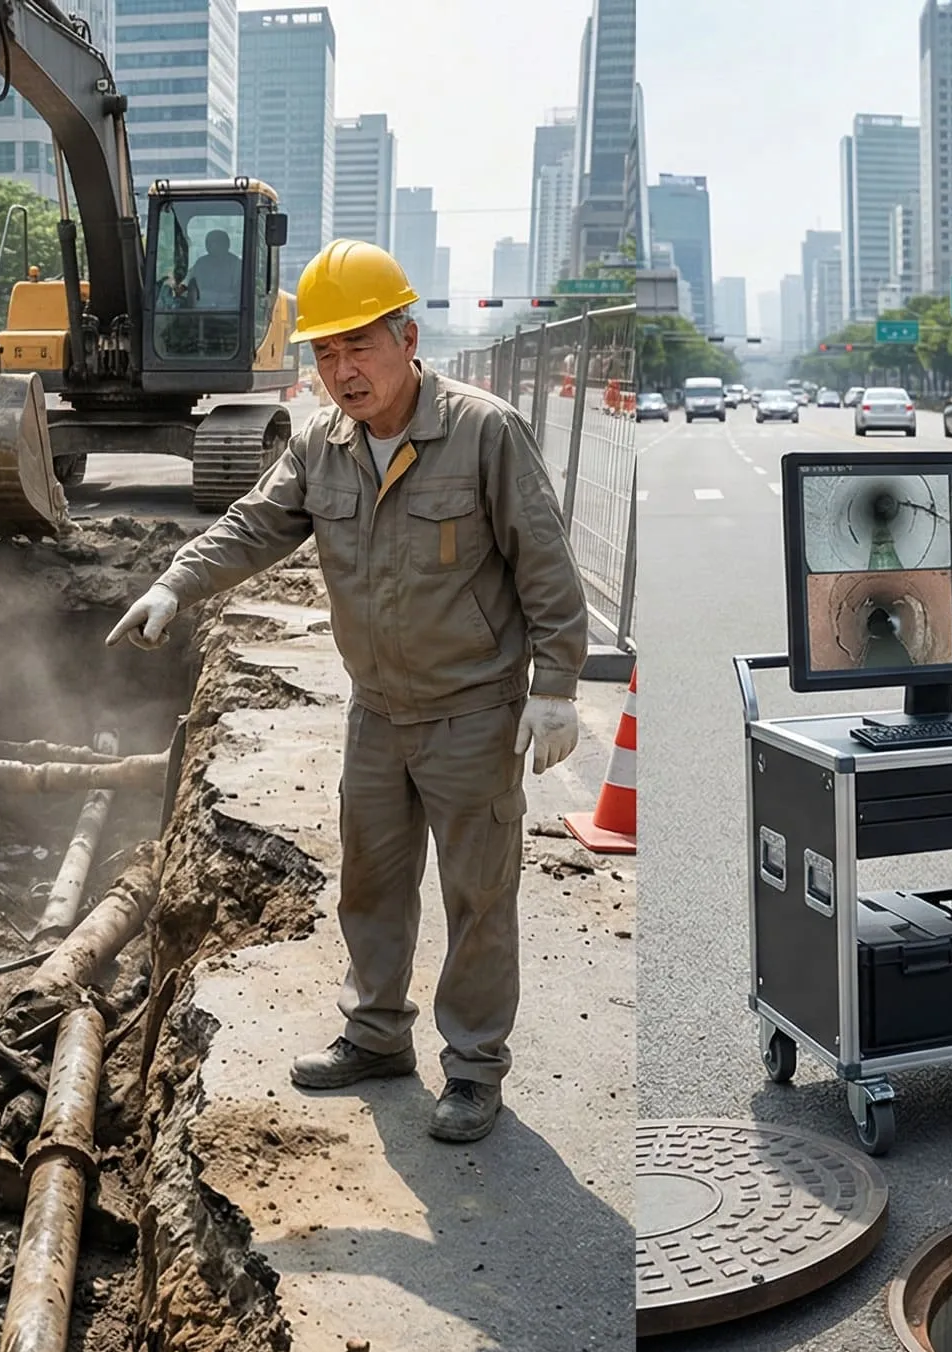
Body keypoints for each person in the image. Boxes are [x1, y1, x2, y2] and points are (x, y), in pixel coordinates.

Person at [106, 238, 589, 1143]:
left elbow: (548, 568)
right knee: (370, 884)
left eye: (358, 345)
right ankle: (375, 1037)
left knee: (477, 897)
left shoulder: (483, 433)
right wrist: (175, 581)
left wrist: (556, 685)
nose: (340, 370)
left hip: (474, 712)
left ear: (407, 337)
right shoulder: (320, 444)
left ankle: (475, 1069)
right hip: (376, 712)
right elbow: (255, 524)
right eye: (324, 352)